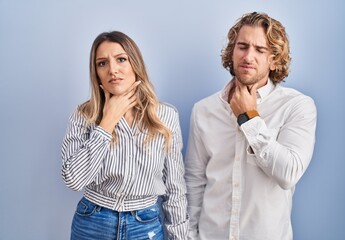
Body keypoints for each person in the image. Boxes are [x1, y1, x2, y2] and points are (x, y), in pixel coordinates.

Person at [185, 12, 317, 240]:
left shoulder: (297, 106)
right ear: (231, 52)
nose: (248, 56)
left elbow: (288, 173)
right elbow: (194, 182)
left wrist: (249, 118)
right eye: (242, 47)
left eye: (260, 50)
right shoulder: (203, 110)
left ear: (274, 59)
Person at [61, 31, 189, 240]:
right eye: (102, 63)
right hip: (92, 223)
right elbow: (73, 180)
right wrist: (107, 122)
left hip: (145, 224)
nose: (112, 70)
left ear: (135, 64)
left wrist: (180, 236)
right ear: (96, 72)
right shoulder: (84, 115)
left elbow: (174, 187)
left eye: (121, 59)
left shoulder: (165, 116)